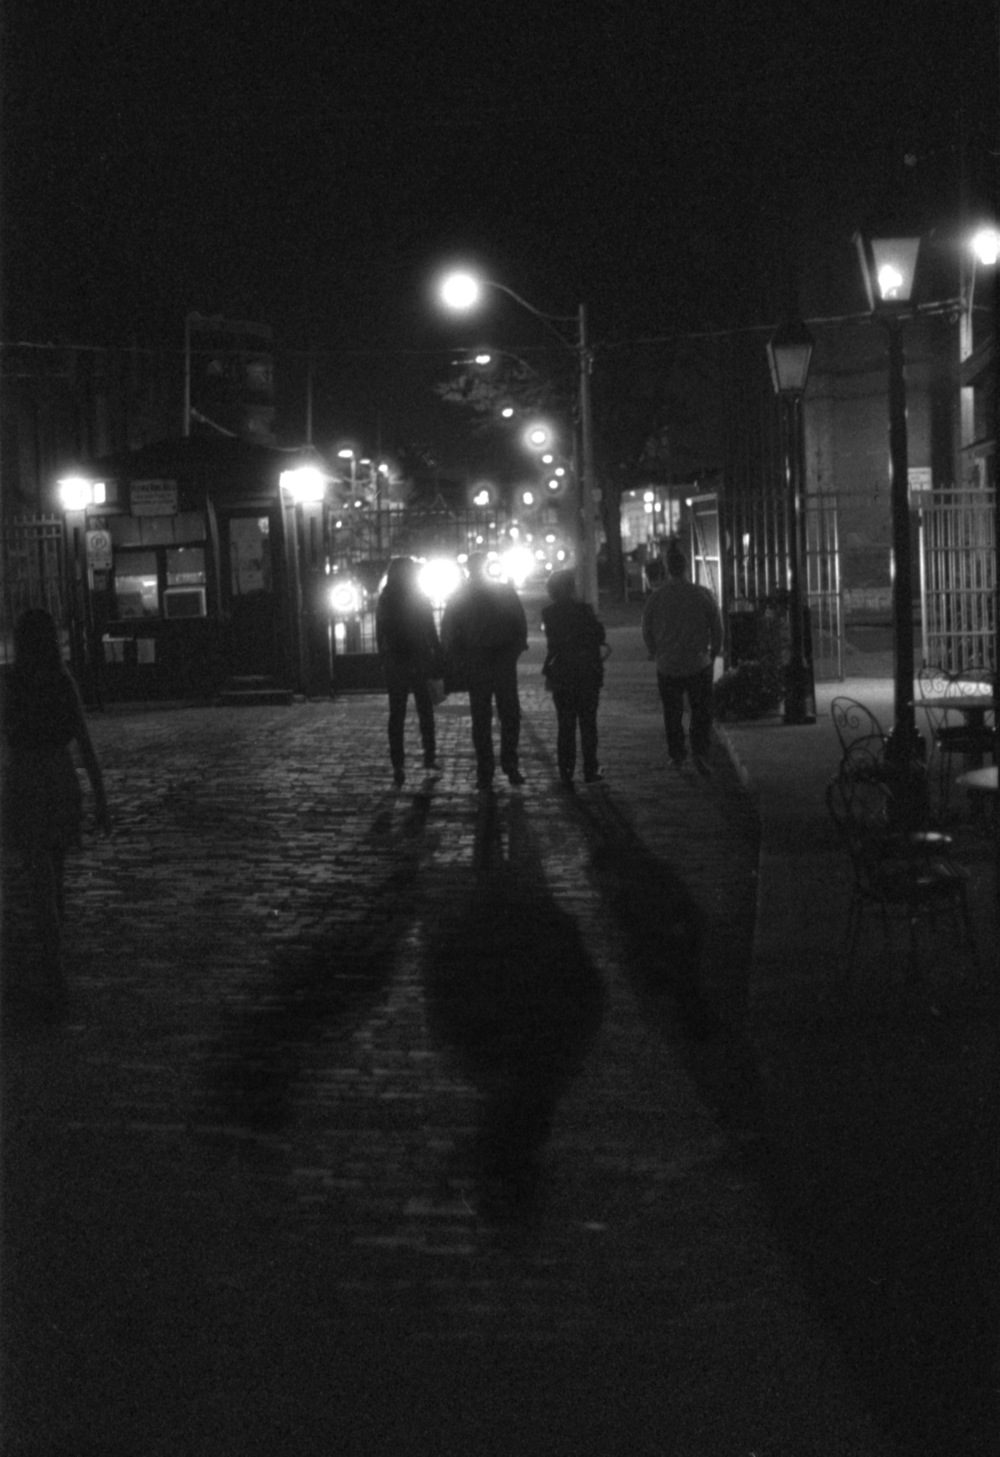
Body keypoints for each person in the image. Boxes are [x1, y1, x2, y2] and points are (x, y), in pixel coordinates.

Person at [2, 607, 110, 1004]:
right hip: (59, 777)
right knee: (56, 869)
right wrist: (100, 797)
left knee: (38, 874)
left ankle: (50, 958)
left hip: (26, 778)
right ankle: (54, 950)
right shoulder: (63, 682)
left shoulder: (13, 683)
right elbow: (83, 741)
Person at [440, 553, 529, 791]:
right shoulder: (501, 592)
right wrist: (515, 648)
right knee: (507, 715)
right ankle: (506, 765)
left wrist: (455, 657)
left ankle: (487, 770)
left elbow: (449, 629)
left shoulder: (462, 595)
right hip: (496, 658)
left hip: (481, 658)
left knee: (484, 718)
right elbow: (520, 623)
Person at [641, 542, 723, 775]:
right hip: (698, 662)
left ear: (667, 568)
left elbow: (646, 628)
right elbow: (716, 627)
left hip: (668, 664)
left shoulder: (657, 598)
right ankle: (700, 753)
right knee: (700, 711)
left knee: (672, 712)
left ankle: (677, 754)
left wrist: (655, 651)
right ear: (686, 566)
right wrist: (714, 651)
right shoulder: (702, 594)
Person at [375, 556, 444, 787]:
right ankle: (429, 755)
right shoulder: (418, 596)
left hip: (396, 660)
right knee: (425, 708)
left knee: (397, 713)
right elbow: (429, 627)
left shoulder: (386, 598)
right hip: (417, 657)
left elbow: (380, 632)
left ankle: (398, 764)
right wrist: (437, 652)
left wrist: (383, 657)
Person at [540, 569, 608, 789]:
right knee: (588, 723)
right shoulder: (583, 610)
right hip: (586, 671)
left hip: (562, 672)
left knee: (565, 723)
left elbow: (554, 641)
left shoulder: (548, 613)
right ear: (571, 587)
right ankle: (590, 769)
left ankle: (566, 769)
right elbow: (599, 635)